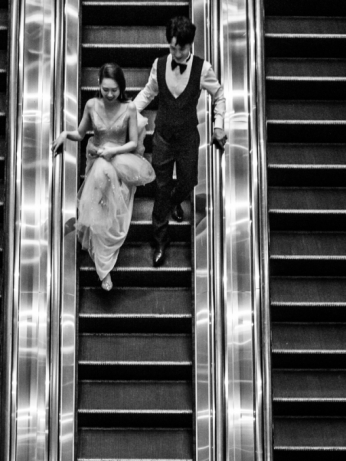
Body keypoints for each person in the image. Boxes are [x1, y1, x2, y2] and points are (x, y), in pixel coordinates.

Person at [133, 15, 227, 266]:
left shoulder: (202, 68)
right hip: (162, 137)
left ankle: (177, 201)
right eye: (172, 47)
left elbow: (219, 95)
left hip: (187, 138)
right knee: (161, 188)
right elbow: (148, 92)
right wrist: (129, 111)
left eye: (181, 48)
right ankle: (160, 239)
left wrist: (218, 126)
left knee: (188, 181)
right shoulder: (159, 64)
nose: (175, 53)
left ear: (190, 45)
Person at [53, 63, 155, 290]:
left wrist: (113, 151)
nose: (109, 95)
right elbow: (80, 134)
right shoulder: (91, 105)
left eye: (114, 90)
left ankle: (83, 227)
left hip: (120, 160)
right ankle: (103, 269)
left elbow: (131, 142)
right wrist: (64, 134)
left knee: (113, 218)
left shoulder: (128, 109)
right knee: (101, 205)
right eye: (105, 89)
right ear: (99, 85)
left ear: (121, 89)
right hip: (98, 158)